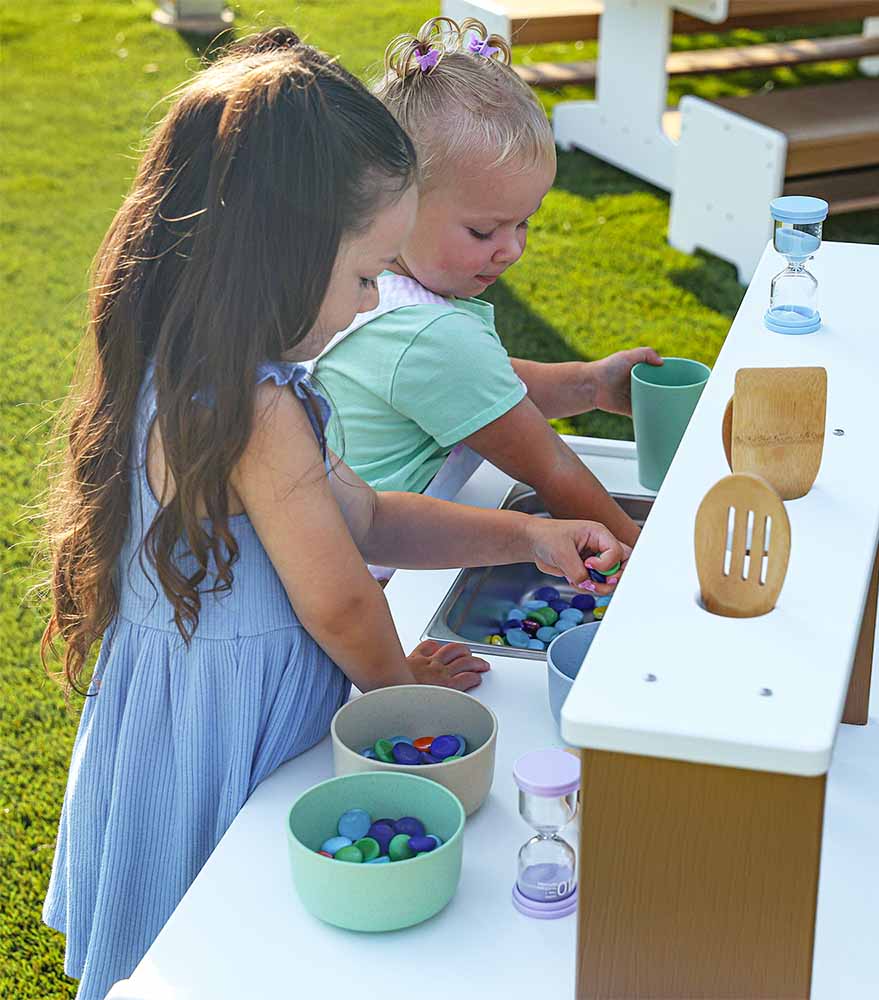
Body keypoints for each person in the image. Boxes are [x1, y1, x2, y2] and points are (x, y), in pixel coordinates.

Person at [39, 30, 626, 999]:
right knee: (213, 945)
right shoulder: (259, 413)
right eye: (362, 277)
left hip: (189, 708)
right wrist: (402, 700)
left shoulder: (224, 379)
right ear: (281, 253)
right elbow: (343, 604)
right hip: (228, 734)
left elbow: (373, 519)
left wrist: (526, 535)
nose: (367, 307)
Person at [311, 16, 659, 580]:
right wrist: (641, 556)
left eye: (524, 223)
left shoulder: (367, 287)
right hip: (386, 586)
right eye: (484, 232)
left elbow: (483, 386)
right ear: (399, 206)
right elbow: (551, 467)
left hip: (363, 559)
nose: (511, 250)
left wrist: (589, 385)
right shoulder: (431, 338)